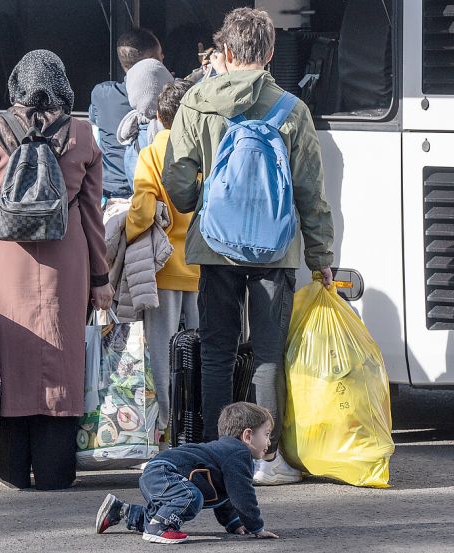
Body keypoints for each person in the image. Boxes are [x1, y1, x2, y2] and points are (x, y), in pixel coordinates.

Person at [162, 8, 335, 484]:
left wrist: (205, 203)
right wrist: (322, 258)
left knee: (217, 351)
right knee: (266, 354)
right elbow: (310, 194)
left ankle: (219, 455)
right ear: (271, 54)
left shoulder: (196, 102)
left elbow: (175, 180)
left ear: (228, 51)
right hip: (276, 252)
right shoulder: (292, 109)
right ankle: (265, 460)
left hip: (215, 248)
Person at [0, 50, 113, 490]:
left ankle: (10, 470)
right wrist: (101, 279)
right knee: (62, 361)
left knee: (9, 362)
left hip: (5, 263)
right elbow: (92, 218)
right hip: (68, 263)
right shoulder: (81, 134)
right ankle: (56, 471)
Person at [123, 79, 199, 439]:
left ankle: (166, 428)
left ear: (158, 115)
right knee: (202, 350)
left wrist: (124, 227)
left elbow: (141, 212)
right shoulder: (205, 150)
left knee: (162, 353)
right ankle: (200, 423)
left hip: (165, 269)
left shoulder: (152, 153)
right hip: (203, 267)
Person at [94, 402, 281, 543]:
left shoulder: (226, 453)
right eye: (266, 434)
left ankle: (120, 510)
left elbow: (226, 496)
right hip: (165, 471)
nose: (269, 442)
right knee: (191, 496)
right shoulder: (239, 453)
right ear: (247, 436)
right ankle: (160, 528)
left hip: (158, 471)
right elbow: (242, 494)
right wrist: (256, 527)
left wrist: (233, 523)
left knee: (159, 514)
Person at [89, 28, 162, 200]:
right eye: (160, 56)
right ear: (151, 62)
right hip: (150, 191)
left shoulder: (101, 94)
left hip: (110, 192)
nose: (163, 59)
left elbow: (95, 123)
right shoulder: (165, 95)